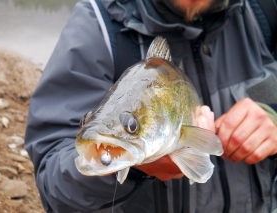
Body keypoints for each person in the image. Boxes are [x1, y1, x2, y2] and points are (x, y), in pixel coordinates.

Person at [24, 0, 277, 212]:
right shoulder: (95, 27)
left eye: (131, 125)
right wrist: (132, 169)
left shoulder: (265, 10)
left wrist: (274, 118)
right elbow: (54, 184)